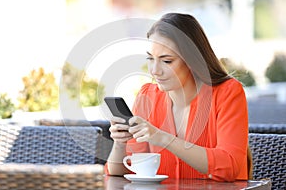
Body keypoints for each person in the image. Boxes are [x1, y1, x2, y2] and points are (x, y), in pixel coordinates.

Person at [105, 13, 251, 182]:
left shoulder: (228, 93)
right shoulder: (148, 96)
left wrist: (164, 138)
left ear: (192, 60)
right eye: (151, 59)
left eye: (166, 61)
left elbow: (230, 167)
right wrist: (120, 143)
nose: (155, 70)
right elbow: (119, 172)